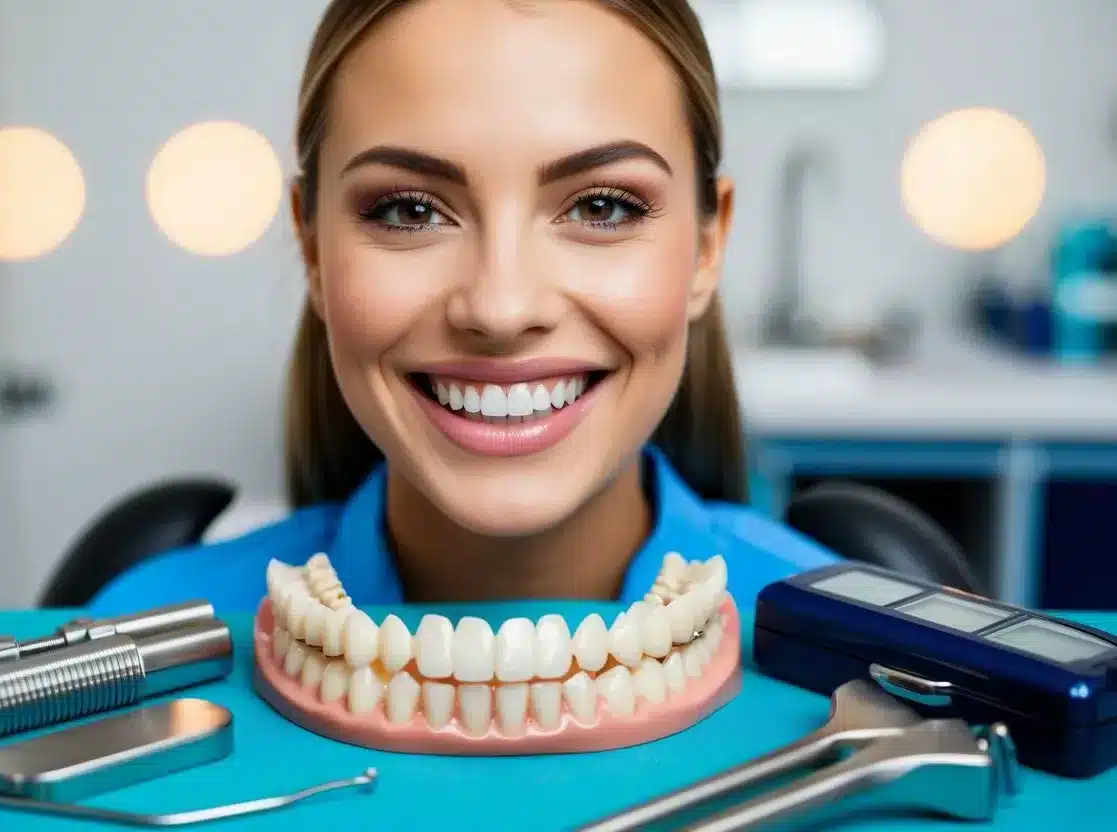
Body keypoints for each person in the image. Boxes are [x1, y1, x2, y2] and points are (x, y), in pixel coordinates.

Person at [86, 0, 840, 618]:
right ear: (312, 249)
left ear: (708, 246)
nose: (500, 306)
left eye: (602, 206)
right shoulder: (139, 634)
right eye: (409, 211)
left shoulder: (872, 660)